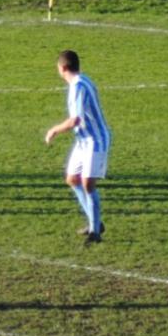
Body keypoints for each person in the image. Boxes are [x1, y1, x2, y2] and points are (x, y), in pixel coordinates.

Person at [43, 50, 111, 243]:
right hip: (83, 141)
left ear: (62, 68)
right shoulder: (82, 81)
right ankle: (95, 222)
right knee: (73, 179)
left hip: (95, 140)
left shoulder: (78, 86)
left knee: (88, 184)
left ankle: (95, 231)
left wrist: (54, 130)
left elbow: (75, 120)